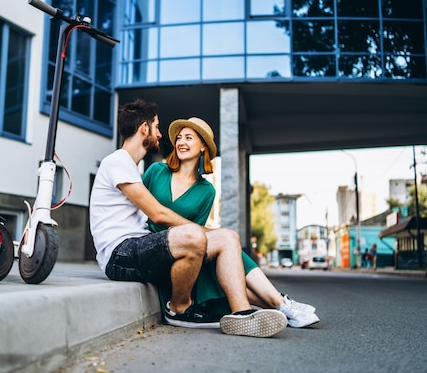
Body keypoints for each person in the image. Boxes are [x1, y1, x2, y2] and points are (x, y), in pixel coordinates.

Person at [89, 99, 288, 338]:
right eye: (156, 127)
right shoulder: (118, 161)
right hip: (119, 254)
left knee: (227, 238)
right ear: (144, 129)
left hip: (139, 247)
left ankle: (243, 314)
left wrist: (211, 235)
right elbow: (157, 214)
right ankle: (179, 309)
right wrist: (201, 232)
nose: (161, 134)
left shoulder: (133, 167)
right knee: (196, 236)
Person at [142, 117, 319, 328]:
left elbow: (197, 236)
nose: (181, 142)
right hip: (156, 248)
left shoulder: (206, 190)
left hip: (188, 254)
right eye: (179, 138)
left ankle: (274, 308)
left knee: (229, 248)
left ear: (202, 147)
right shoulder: (156, 171)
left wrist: (205, 232)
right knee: (227, 238)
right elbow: (138, 208)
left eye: (189, 138)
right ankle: (280, 303)